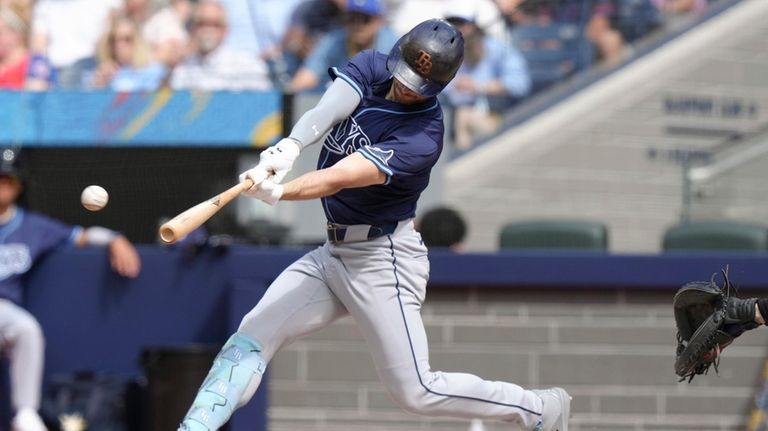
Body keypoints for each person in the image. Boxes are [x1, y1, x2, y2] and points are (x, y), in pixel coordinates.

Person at [177, 18, 570, 431]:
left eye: (419, 83)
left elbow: (340, 176)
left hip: (384, 260)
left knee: (416, 390)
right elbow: (328, 109)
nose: (405, 86)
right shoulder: (371, 65)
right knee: (249, 339)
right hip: (333, 254)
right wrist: (290, 145)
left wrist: (280, 192)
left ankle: (538, 409)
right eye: (405, 74)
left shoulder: (423, 135)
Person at [0, 149, 141, 431]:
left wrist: (114, 238)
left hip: (4, 310)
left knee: (27, 329)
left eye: (8, 180)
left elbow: (79, 236)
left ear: (19, 186)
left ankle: (25, 413)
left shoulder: (32, 226)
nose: (2, 185)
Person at [442, 7, 531, 150]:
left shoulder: (498, 48)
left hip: (497, 114)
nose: (457, 30)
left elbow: (520, 84)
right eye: (451, 24)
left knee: (464, 116)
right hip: (452, 113)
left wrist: (478, 86)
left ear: (474, 26)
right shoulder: (444, 51)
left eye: (461, 24)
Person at [287, 0, 398, 93]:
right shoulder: (332, 41)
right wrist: (286, 99)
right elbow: (306, 77)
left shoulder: (392, 45)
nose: (357, 24)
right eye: (351, 17)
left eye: (365, 19)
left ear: (378, 21)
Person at [170, 0, 272, 91]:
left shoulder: (248, 66)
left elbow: (261, 104)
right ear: (193, 28)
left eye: (214, 24)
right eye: (201, 23)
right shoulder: (183, 68)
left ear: (225, 30)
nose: (207, 30)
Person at [85, 14, 166, 91]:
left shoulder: (153, 71)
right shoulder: (100, 73)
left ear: (137, 42)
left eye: (127, 39)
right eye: (114, 39)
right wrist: (99, 84)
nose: (119, 45)